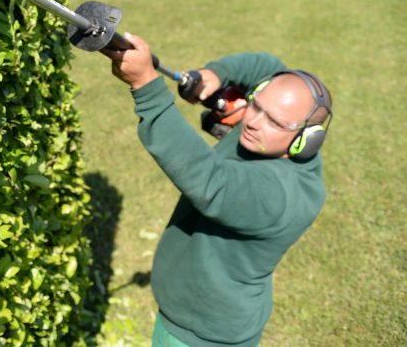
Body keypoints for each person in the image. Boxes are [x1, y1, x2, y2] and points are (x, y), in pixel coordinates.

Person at [103, 33, 333, 347]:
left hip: (203, 332)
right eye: (256, 105)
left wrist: (146, 87)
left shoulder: (284, 196)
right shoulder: (274, 132)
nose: (252, 122)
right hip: (185, 311)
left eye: (274, 122)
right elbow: (265, 65)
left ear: (308, 139)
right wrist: (214, 76)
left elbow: (207, 179)